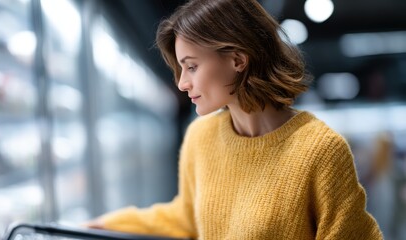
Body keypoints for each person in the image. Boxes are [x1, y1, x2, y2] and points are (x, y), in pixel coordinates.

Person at [86, 0, 383, 239]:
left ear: (238, 60)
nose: (182, 83)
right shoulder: (200, 137)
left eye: (192, 67)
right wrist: (106, 225)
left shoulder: (321, 151)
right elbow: (186, 218)